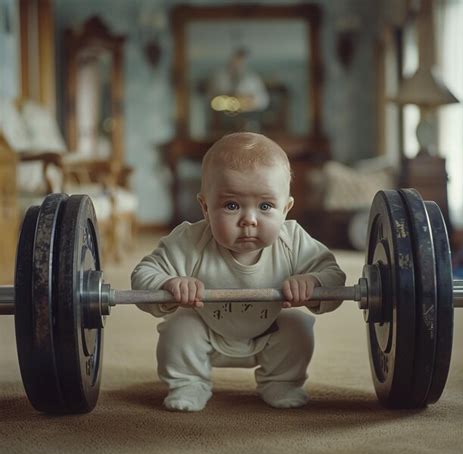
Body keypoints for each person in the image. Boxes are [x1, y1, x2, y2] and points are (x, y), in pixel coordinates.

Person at [131, 132, 346, 412]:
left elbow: (335, 277)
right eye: (231, 206)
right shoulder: (189, 241)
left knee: (297, 326)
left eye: (266, 206)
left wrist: (313, 282)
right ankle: (188, 383)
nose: (249, 220)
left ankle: (281, 382)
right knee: (179, 327)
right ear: (205, 208)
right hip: (206, 330)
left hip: (268, 331)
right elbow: (143, 275)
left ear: (286, 209)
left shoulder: (293, 240)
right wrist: (169, 284)